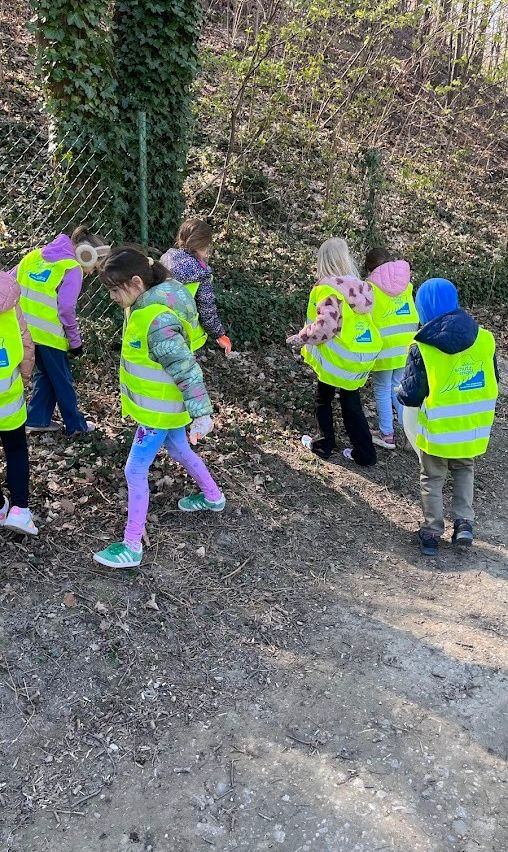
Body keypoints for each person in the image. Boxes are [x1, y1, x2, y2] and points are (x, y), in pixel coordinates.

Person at [93, 246, 225, 569]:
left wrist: (202, 413)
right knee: (180, 451)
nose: (112, 298)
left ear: (137, 283)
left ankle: (132, 545)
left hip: (158, 415)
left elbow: (186, 368)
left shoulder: (156, 320)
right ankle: (213, 496)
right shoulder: (148, 302)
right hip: (167, 411)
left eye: (114, 290)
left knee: (134, 470)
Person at [397, 278, 499, 556]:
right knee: (465, 469)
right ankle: (464, 524)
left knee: (432, 477)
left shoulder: (423, 347)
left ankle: (431, 532)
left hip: (438, 431)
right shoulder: (485, 339)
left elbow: (411, 396)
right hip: (471, 428)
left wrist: (401, 392)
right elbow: (494, 379)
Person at [287, 238, 381, 465]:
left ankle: (323, 444)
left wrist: (301, 338)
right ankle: (365, 454)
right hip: (361, 353)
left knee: (323, 398)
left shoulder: (327, 288)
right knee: (351, 402)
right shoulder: (360, 287)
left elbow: (326, 326)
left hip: (337, 357)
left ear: (323, 261)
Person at [14, 225, 110, 435]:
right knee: (62, 380)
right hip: (49, 335)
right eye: (95, 266)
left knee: (45, 375)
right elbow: (66, 308)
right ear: (87, 255)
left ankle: (37, 419)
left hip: (23, 331)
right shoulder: (71, 267)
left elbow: (9, 282)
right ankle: (76, 426)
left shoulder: (33, 256)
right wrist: (75, 342)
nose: (93, 271)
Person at [365, 247, 419, 449]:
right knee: (397, 387)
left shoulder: (370, 286)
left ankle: (387, 434)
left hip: (384, 345)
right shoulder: (405, 281)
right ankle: (411, 434)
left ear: (370, 267)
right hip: (406, 342)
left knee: (381, 388)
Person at [0, 271, 38, 535]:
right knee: (15, 449)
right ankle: (20, 511)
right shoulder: (8, 293)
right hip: (9, 395)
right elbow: (25, 343)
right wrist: (24, 378)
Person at [160, 218, 232, 354]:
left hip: (158, 328)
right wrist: (219, 334)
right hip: (184, 336)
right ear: (204, 245)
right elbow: (207, 309)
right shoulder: (201, 272)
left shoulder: (165, 260)